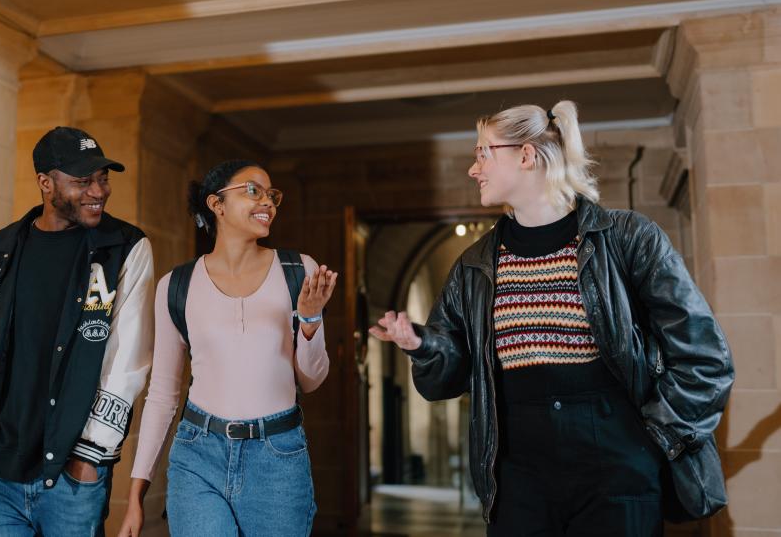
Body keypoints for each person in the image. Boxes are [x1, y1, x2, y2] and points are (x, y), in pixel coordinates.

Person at [369, 102, 733, 536]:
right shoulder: (474, 266)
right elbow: (444, 379)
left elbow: (705, 357)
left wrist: (656, 439)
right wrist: (422, 345)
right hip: (518, 478)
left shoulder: (629, 238)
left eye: (483, 152)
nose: (473, 168)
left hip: (618, 470)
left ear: (525, 156)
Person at [0, 126, 155, 536]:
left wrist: (91, 455)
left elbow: (127, 364)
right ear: (46, 183)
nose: (98, 191)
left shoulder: (124, 247)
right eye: (83, 181)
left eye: (103, 179)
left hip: (72, 474)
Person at [117, 160, 337, 537]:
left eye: (272, 194)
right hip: (197, 455)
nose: (267, 201)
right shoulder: (176, 285)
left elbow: (312, 380)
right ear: (216, 204)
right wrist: (137, 492)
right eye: (253, 190)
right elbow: (163, 394)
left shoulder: (297, 269)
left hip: (278, 458)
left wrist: (311, 320)